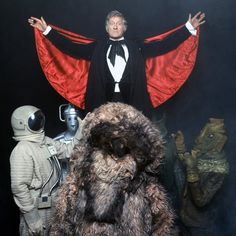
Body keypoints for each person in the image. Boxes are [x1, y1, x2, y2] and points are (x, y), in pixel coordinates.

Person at [28, 10, 205, 119]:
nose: (115, 26)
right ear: (106, 28)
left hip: (133, 103)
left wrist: (188, 28)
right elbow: (70, 47)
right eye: (111, 23)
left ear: (124, 28)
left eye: (118, 23)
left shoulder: (136, 46)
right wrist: (47, 31)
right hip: (101, 104)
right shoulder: (97, 47)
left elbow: (163, 45)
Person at [49, 102, 175, 236]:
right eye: (113, 144)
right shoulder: (80, 177)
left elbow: (162, 225)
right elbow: (62, 224)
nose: (117, 149)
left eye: (122, 144)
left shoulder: (142, 180)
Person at [9, 105, 83, 236]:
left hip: (53, 204)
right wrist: (32, 219)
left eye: (40, 118)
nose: (39, 122)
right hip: (36, 209)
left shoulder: (47, 142)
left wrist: (80, 132)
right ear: (23, 124)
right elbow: (19, 188)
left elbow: (68, 151)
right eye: (34, 119)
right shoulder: (22, 150)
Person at [174, 118, 229, 235]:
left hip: (200, 225)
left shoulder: (219, 170)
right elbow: (189, 163)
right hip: (185, 217)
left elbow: (201, 201)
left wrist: (192, 170)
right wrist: (181, 149)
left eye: (209, 136)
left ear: (219, 142)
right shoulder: (202, 155)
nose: (199, 138)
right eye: (201, 132)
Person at [53, 103, 82, 182]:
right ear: (64, 119)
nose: (73, 123)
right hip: (64, 181)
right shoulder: (57, 140)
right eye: (69, 119)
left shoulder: (86, 139)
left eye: (75, 118)